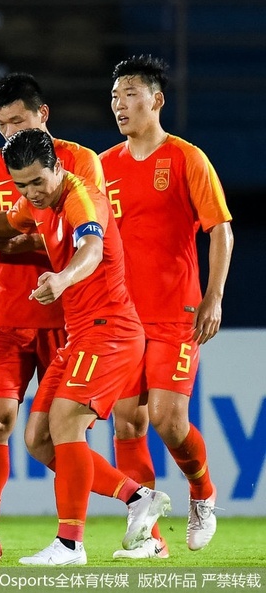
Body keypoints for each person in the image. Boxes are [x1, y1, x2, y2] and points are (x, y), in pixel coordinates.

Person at [0, 129, 170, 566]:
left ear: (58, 167)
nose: (31, 193)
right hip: (82, 333)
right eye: (22, 185)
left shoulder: (81, 198)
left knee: (64, 424)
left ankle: (70, 545)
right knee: (39, 440)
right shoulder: (38, 201)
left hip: (110, 331)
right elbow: (7, 222)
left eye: (38, 182)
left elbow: (93, 248)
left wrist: (61, 278)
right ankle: (138, 497)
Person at [0, 73, 105, 561]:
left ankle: (129, 508)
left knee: (61, 436)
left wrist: (13, 241)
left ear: (43, 115)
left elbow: (89, 237)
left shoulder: (81, 162)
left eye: (18, 120)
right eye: (0, 123)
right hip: (8, 316)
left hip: (71, 319)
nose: (9, 132)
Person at [103, 55, 233, 559]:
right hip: (121, 320)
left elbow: (220, 229)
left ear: (156, 100)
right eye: (114, 96)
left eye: (130, 93)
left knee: (167, 419)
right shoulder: (105, 165)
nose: (119, 104)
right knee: (127, 424)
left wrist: (213, 297)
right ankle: (149, 539)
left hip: (177, 312)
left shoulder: (186, 158)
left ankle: (201, 491)